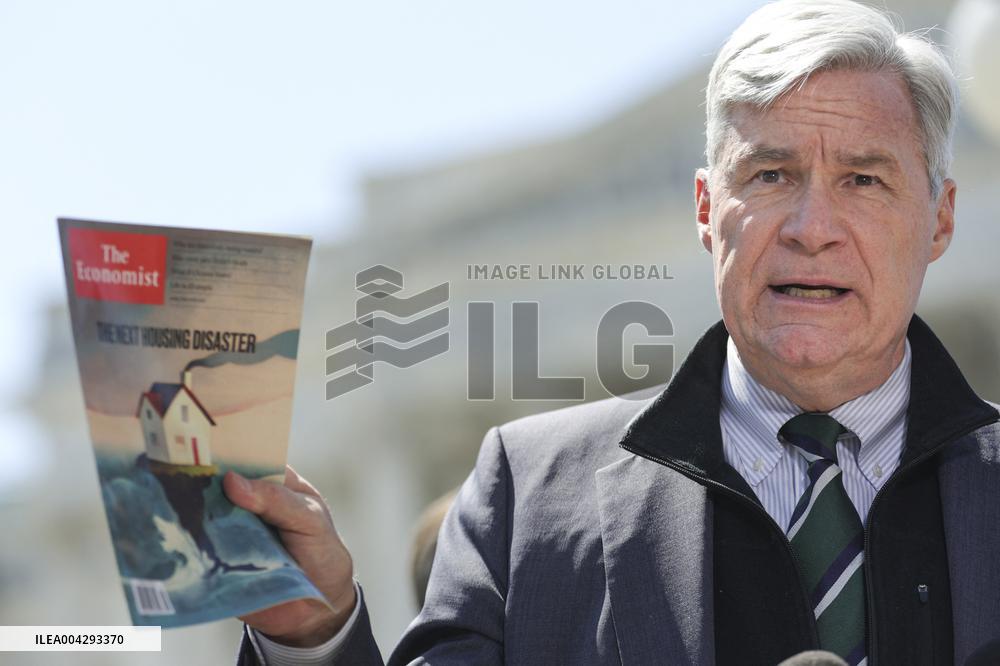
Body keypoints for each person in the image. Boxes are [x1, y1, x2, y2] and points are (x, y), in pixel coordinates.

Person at [227, 0, 1000, 663]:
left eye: (863, 180)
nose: (812, 227)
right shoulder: (527, 497)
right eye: (770, 176)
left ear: (939, 219)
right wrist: (318, 637)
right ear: (705, 209)